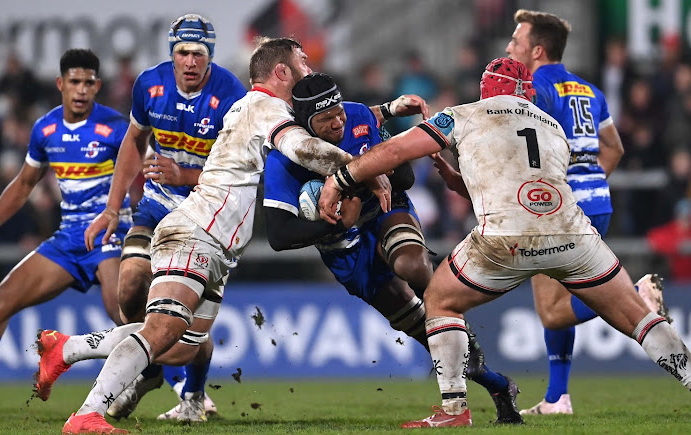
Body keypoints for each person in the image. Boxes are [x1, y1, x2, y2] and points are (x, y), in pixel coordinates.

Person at [38, 36, 427, 434]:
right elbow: (306, 147)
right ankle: (87, 415)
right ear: (282, 72)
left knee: (181, 347)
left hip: (218, 246)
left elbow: (327, 119)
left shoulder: (260, 108)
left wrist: (388, 110)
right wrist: (359, 168)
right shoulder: (267, 108)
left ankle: (66, 348)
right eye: (303, 63)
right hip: (197, 230)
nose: (309, 70)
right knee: (163, 330)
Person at [318, 57, 691, 428]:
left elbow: (397, 150)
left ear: (485, 90)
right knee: (640, 317)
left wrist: (342, 178)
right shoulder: (553, 128)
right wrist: (459, 182)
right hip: (572, 233)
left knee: (439, 300)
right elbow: (528, 188)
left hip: (506, 240)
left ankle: (454, 411)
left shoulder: (464, 114)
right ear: (526, 92)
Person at [263, 72, 522, 424]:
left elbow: (404, 178)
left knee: (411, 265)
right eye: (326, 120)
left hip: (386, 211)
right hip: (344, 248)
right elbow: (278, 235)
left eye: (339, 111)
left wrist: (361, 178)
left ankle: (450, 314)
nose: (338, 122)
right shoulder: (283, 160)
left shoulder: (358, 115)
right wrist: (335, 223)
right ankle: (499, 385)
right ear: (306, 124)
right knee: (425, 333)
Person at [65, 14, 247, 423]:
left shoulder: (232, 96)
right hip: (156, 206)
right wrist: (113, 208)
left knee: (185, 329)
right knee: (128, 293)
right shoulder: (150, 84)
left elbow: (242, 173)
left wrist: (184, 175)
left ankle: (194, 397)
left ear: (210, 57)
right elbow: (134, 140)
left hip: (206, 216)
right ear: (172, 53)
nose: (190, 61)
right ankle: (147, 372)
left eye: (198, 53)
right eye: (182, 52)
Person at [0, 49, 131, 420]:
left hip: (110, 234)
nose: (80, 89)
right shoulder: (45, 128)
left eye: (88, 82)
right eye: (73, 81)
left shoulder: (118, 128)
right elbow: (25, 181)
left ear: (98, 86)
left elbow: (138, 178)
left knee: (124, 313)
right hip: (68, 239)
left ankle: (185, 392)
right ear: (60, 84)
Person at [505, 9, 669, 415]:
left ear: (537, 51)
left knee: (552, 310)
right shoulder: (590, 90)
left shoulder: (535, 89)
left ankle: (634, 298)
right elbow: (614, 147)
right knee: (565, 300)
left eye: (516, 41)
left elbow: (528, 153)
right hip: (596, 205)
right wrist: (590, 181)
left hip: (556, 210)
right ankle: (558, 397)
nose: (509, 46)